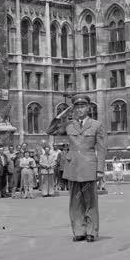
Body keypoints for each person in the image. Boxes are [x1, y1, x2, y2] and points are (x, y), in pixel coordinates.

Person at [47, 94, 106, 242]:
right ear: (73, 109)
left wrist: (100, 169)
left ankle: (91, 231)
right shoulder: (69, 125)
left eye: (83, 106)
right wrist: (62, 115)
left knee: (90, 200)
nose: (80, 110)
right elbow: (50, 131)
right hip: (72, 166)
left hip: (89, 166)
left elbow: (102, 148)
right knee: (75, 201)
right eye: (77, 107)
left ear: (88, 108)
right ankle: (79, 231)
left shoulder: (96, 125)